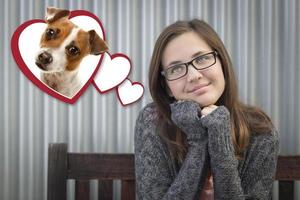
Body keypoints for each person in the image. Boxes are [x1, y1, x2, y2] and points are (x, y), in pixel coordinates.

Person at [134, 19, 279, 199]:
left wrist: (220, 139)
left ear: (222, 62)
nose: (194, 76)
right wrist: (198, 140)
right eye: (176, 68)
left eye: (202, 58)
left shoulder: (260, 130)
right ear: (166, 86)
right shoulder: (152, 121)